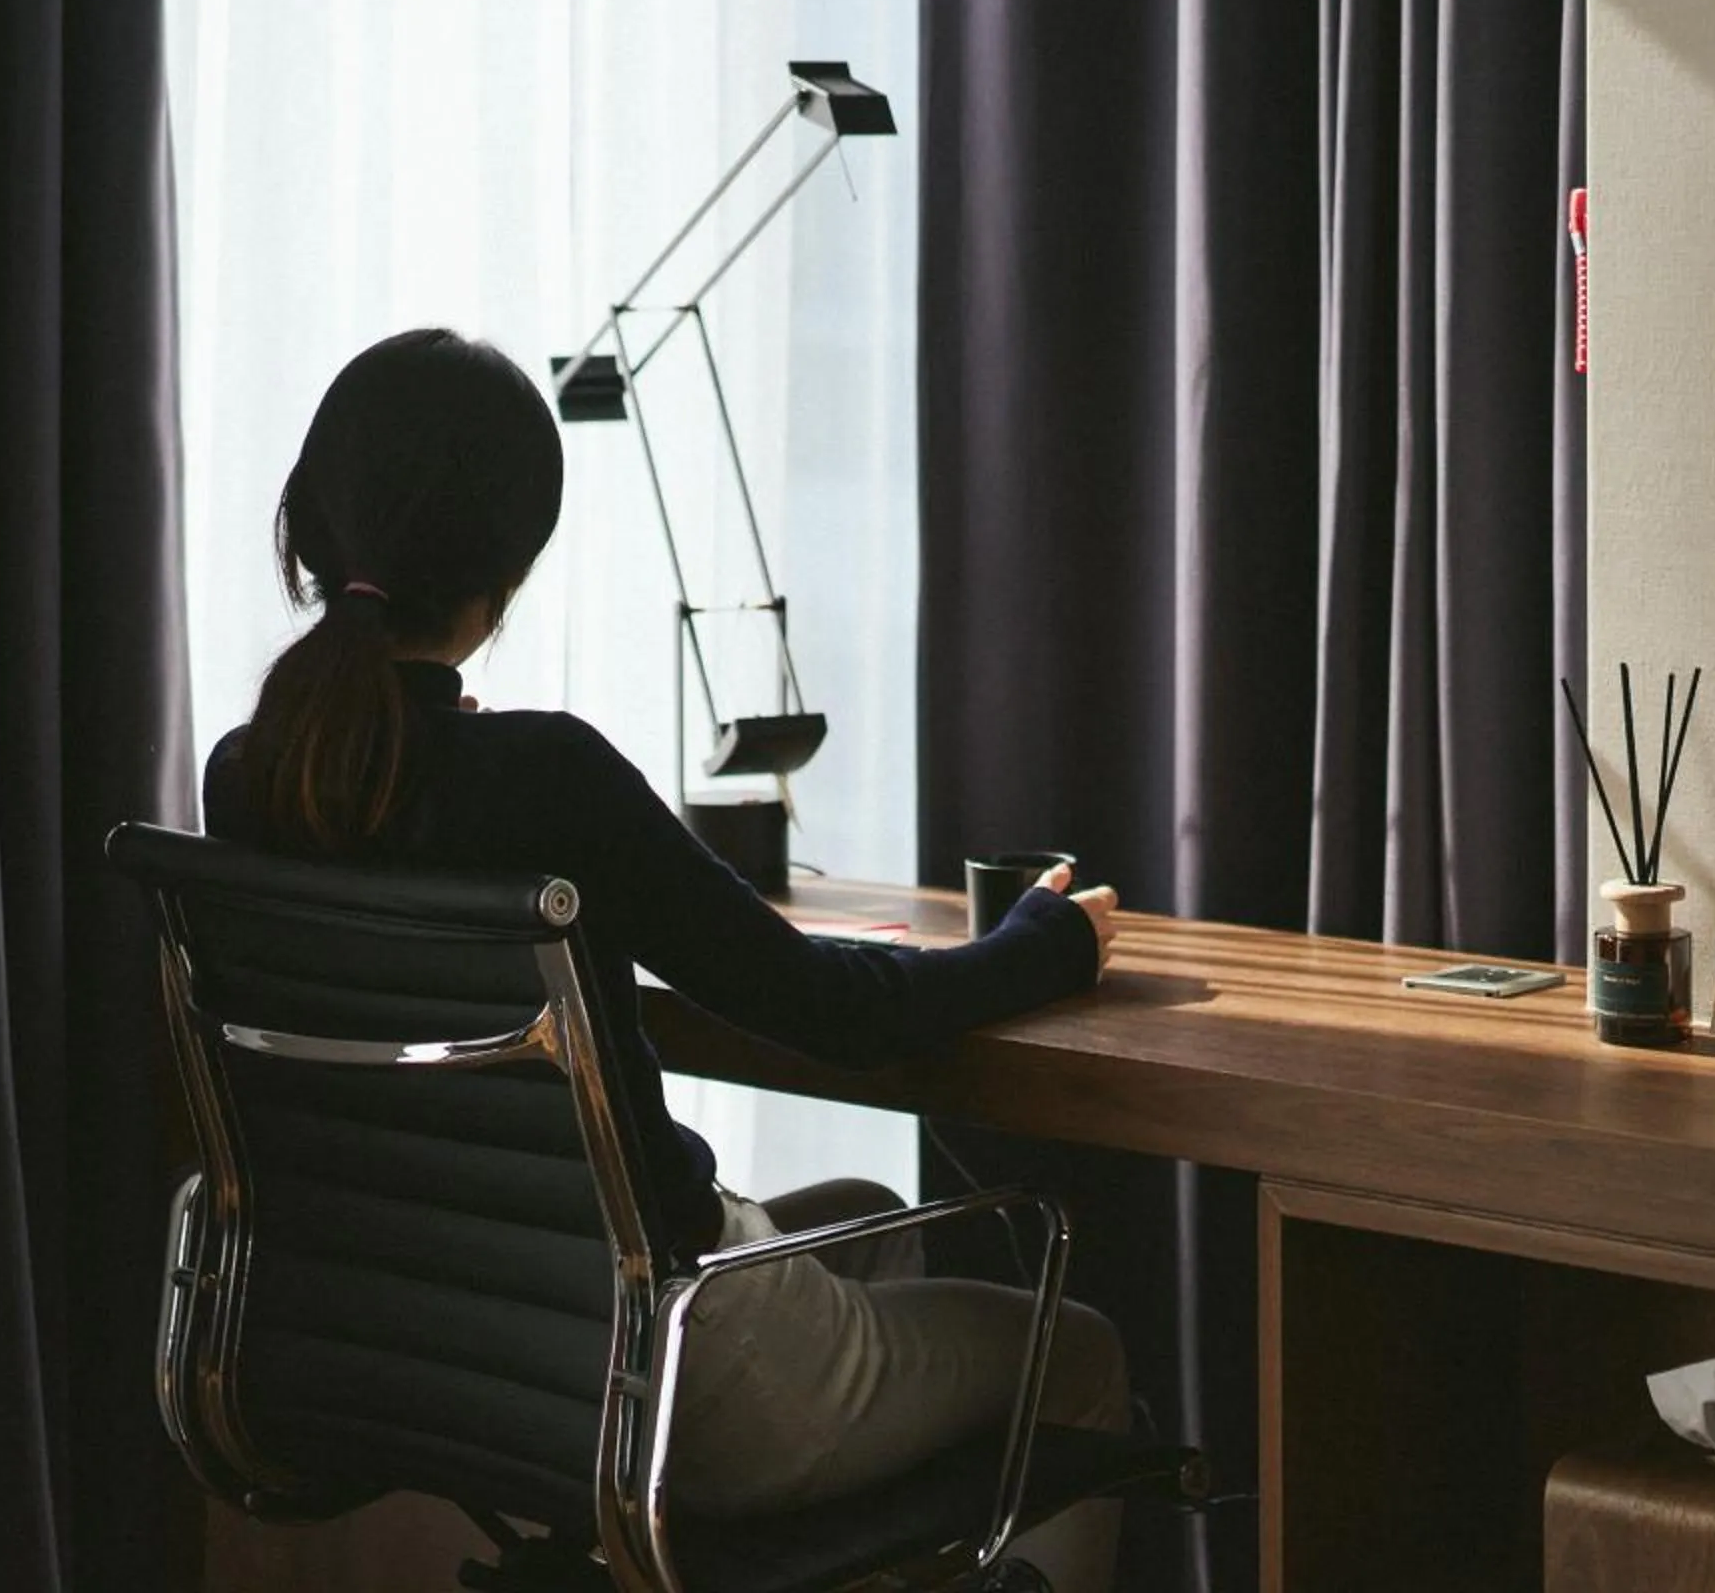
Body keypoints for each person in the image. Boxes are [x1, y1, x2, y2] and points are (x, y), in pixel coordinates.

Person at [202, 328, 1132, 1589]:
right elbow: (837, 1010)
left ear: (314, 527)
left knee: (866, 1218)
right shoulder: (544, 777)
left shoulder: (254, 777)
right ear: (511, 569)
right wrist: (1045, 943)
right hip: (670, 1376)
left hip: (467, 1360)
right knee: (1072, 1352)